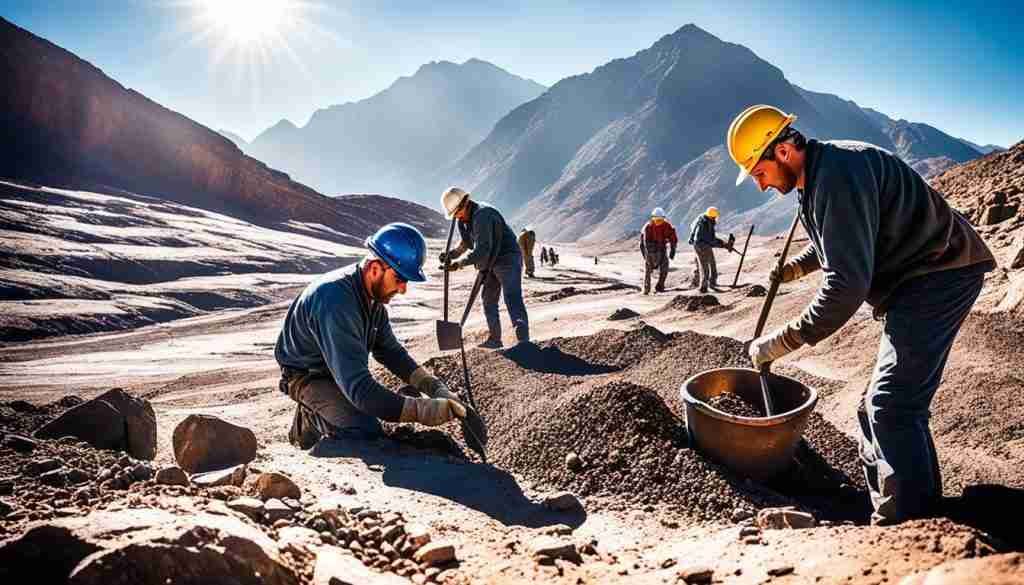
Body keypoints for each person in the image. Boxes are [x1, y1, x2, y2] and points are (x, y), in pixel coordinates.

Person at [729, 104, 995, 525]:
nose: (760, 186)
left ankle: (909, 524)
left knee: (892, 406)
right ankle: (908, 507)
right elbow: (838, 237)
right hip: (916, 280)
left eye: (758, 173)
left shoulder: (839, 174)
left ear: (781, 152)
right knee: (873, 406)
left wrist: (779, 343)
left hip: (939, 275)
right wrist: (797, 267)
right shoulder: (818, 175)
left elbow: (845, 289)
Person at [275, 223, 470, 449]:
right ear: (376, 269)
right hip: (307, 376)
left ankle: (334, 406)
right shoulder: (337, 301)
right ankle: (309, 418)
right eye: (400, 279)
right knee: (364, 430)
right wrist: (421, 411)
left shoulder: (372, 300)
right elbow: (360, 389)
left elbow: (391, 352)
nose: (403, 289)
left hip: (337, 370)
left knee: (373, 411)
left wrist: (433, 386)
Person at [439, 187, 530, 349]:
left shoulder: (483, 215)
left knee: (511, 296)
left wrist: (458, 264)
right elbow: (465, 244)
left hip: (506, 257)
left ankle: (523, 340)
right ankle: (495, 340)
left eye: (456, 213)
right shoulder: (463, 221)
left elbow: (482, 249)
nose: (456, 217)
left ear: (464, 204)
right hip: (489, 263)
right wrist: (451, 255)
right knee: (488, 300)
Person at [688, 207, 734, 293]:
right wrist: (724, 245)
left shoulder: (703, 219)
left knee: (712, 262)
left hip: (703, 244)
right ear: (712, 217)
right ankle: (703, 288)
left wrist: (723, 244)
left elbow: (710, 239)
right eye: (714, 217)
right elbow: (711, 240)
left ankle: (712, 282)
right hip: (700, 246)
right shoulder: (705, 224)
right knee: (705, 267)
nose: (715, 219)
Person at [639, 207, 679, 294]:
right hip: (649, 249)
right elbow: (645, 244)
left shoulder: (667, 225)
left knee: (665, 266)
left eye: (660, 220)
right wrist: (649, 257)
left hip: (661, 247)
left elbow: (673, 238)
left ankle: (660, 286)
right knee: (648, 268)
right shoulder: (648, 227)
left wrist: (673, 249)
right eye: (656, 220)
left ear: (664, 218)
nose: (658, 222)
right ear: (653, 218)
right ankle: (646, 289)